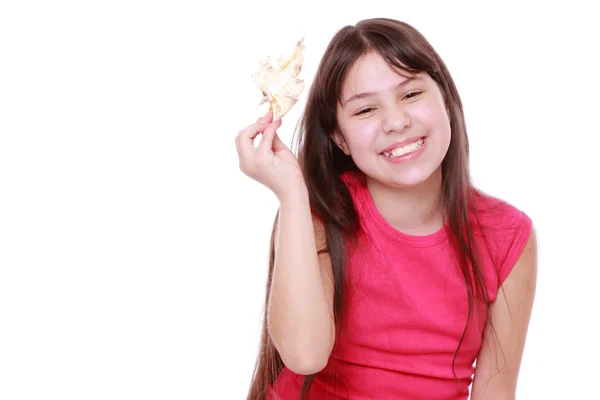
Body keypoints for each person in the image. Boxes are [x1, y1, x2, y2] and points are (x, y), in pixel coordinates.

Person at [235, 17, 537, 400]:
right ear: (340, 138)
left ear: (445, 96)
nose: (396, 122)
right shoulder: (321, 212)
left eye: (410, 95)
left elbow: (496, 391)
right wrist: (293, 193)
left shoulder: (507, 236)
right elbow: (303, 355)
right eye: (365, 111)